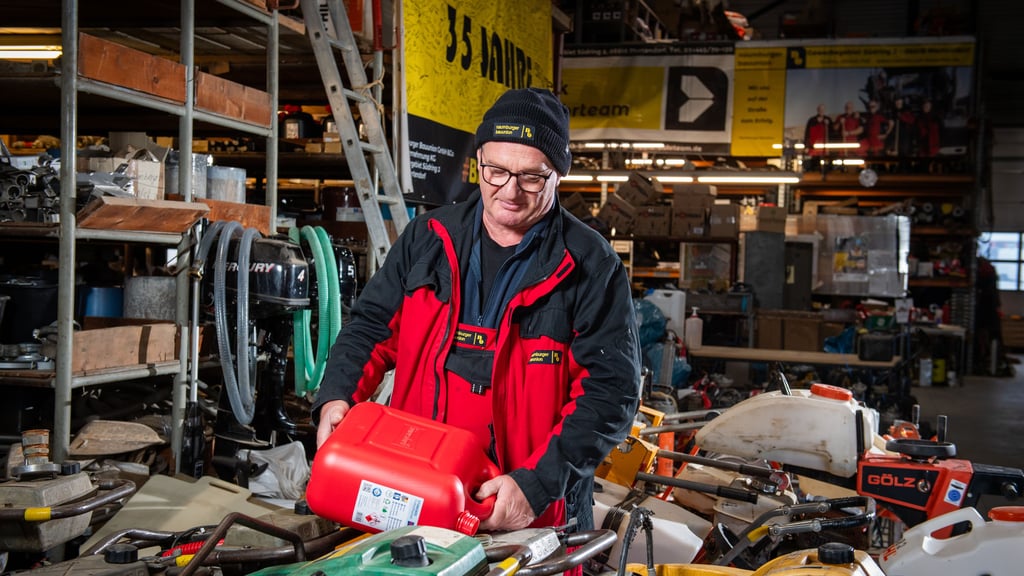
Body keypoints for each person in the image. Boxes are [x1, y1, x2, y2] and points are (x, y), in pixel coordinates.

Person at [312, 88, 642, 537]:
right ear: (478, 161)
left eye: (532, 177)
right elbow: (370, 329)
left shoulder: (589, 265)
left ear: (558, 175)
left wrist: (537, 486)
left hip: (527, 513)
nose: (510, 191)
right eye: (496, 171)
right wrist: (337, 395)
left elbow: (610, 392)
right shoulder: (428, 238)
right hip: (415, 490)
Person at [803, 103, 831, 171]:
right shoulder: (812, 120)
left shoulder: (828, 120)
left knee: (825, 164)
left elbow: (832, 132)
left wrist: (828, 124)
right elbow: (807, 134)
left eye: (822, 109)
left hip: (824, 147)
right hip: (814, 147)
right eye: (820, 109)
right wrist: (806, 146)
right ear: (817, 110)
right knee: (813, 164)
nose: (821, 111)